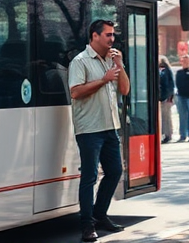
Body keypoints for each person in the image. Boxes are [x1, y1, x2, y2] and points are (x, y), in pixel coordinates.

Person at [68, 20, 130, 243]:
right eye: (108, 35)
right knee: (90, 176)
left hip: (110, 126)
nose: (112, 39)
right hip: (89, 129)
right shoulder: (80, 61)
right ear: (94, 36)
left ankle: (100, 215)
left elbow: (124, 89)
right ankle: (87, 225)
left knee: (115, 172)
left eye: (113, 35)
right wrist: (103, 80)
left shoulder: (111, 60)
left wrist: (119, 64)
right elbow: (75, 92)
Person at [158, 55, 175, 144]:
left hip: (166, 97)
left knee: (166, 117)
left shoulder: (167, 71)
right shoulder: (158, 70)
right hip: (160, 97)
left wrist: (169, 96)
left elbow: (170, 84)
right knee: (162, 117)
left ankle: (168, 134)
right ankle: (163, 133)